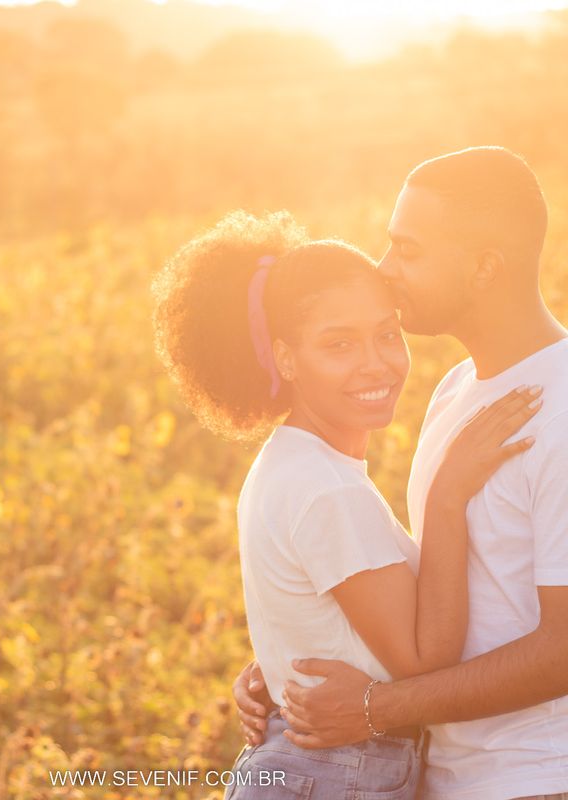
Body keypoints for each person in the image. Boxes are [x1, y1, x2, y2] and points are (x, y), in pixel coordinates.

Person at [151, 209, 540, 799]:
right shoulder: (325, 488)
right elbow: (422, 661)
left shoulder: (295, 464)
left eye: (387, 333)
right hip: (336, 772)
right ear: (285, 359)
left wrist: (275, 669)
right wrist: (447, 497)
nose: (377, 363)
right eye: (339, 344)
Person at [234, 146, 568, 800]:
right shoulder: (454, 390)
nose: (386, 271)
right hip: (441, 776)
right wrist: (292, 656)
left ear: (484, 267)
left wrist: (372, 709)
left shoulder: (560, 410)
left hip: (537, 775)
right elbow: (444, 584)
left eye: (407, 250)